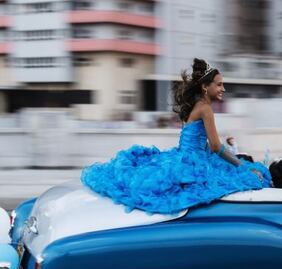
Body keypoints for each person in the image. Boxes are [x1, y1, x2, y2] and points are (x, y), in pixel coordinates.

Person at [81, 58, 271, 214]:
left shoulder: (197, 105)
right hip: (192, 161)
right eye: (219, 84)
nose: (223, 89)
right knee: (251, 175)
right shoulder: (205, 109)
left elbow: (201, 142)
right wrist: (243, 166)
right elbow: (215, 147)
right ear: (206, 87)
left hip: (184, 156)